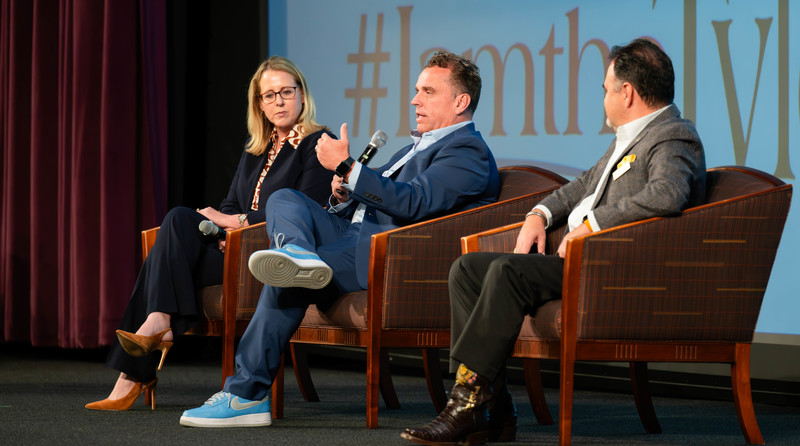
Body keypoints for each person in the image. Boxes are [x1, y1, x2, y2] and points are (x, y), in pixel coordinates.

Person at [401, 39, 707, 445]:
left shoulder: (672, 135)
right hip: (580, 260)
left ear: (627, 93)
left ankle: (467, 401)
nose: (604, 98)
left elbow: (667, 195)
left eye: (604, 89)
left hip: (612, 267)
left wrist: (592, 225)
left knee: (508, 271)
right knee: (468, 268)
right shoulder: (630, 136)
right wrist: (538, 215)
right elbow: (580, 186)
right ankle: (492, 401)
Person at [179, 50, 501, 428]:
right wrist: (342, 192)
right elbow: (373, 193)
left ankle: (245, 395)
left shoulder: (467, 151)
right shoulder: (416, 146)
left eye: (427, 91)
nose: (414, 100)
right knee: (284, 201)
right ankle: (296, 251)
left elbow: (415, 203)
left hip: (388, 255)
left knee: (289, 277)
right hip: (354, 237)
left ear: (461, 102)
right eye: (416, 90)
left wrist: (349, 169)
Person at [85, 56, 334, 411]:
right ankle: (156, 326)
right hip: (231, 251)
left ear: (302, 95)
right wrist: (223, 226)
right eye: (269, 95)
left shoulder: (317, 143)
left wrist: (233, 223)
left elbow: (307, 207)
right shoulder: (255, 150)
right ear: (259, 105)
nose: (279, 101)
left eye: (286, 92)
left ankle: (135, 370)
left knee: (163, 261)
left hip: (273, 258)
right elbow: (230, 202)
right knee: (177, 221)